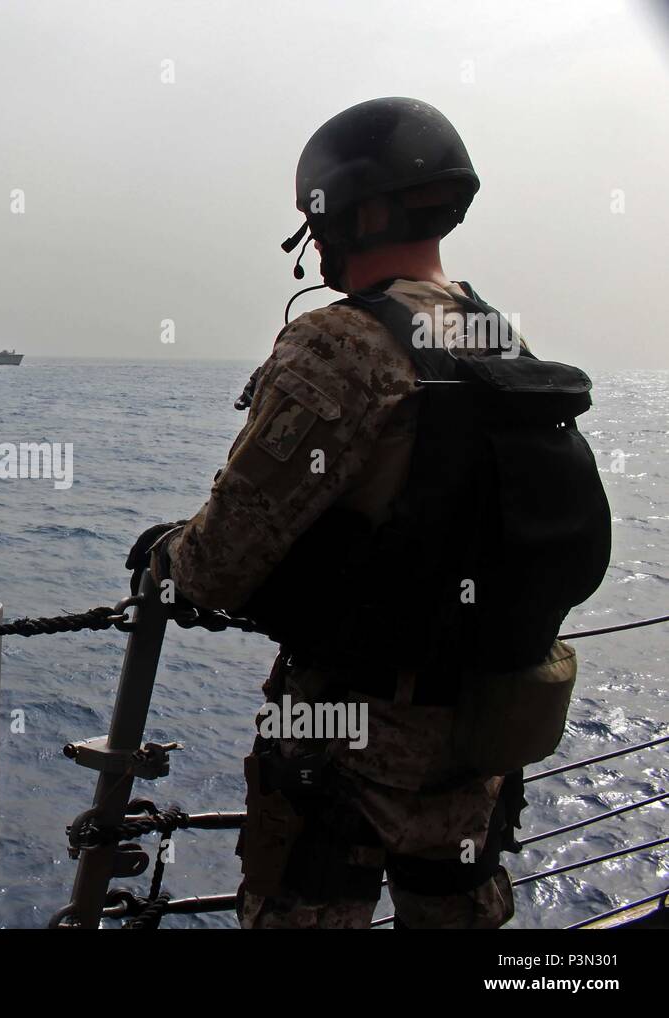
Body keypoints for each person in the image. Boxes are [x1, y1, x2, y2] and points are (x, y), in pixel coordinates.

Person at [127, 97, 610, 929]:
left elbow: (216, 566)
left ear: (353, 215)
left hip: (346, 745)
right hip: (480, 737)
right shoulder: (496, 338)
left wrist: (163, 561)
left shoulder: (340, 343)